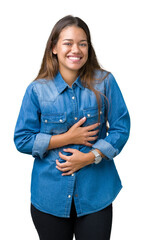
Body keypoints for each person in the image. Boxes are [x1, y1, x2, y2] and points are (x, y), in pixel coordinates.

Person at [14, 15, 130, 240]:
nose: (75, 49)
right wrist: (66, 138)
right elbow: (22, 139)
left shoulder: (105, 82)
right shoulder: (37, 90)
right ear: (54, 47)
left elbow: (121, 128)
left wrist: (91, 157)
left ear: (89, 48)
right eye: (68, 43)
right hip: (49, 198)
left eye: (82, 43)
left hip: (96, 195)